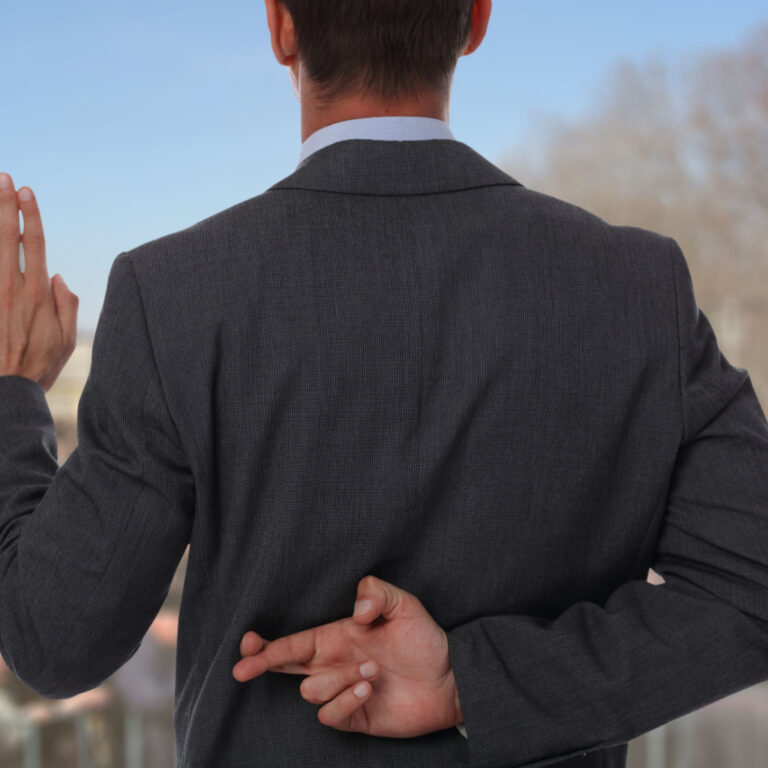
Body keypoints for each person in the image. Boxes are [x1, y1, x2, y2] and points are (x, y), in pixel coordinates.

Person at [0, 1, 767, 766]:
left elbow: (54, 640)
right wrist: (475, 683)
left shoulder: (174, 296)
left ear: (280, 28)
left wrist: (13, 395)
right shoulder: (637, 288)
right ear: (475, 20)